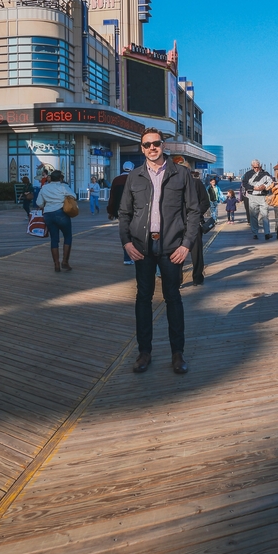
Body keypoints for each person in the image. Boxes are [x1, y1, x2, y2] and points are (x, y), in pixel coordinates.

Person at [119, 127, 201, 375]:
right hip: (141, 248)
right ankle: (144, 352)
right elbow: (124, 213)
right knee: (142, 299)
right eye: (147, 145)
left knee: (173, 298)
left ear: (163, 145)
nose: (152, 148)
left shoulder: (181, 174)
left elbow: (194, 211)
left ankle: (178, 353)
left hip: (171, 247)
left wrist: (186, 244)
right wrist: (127, 243)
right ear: (141, 148)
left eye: (156, 143)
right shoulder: (134, 176)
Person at [36, 170, 77, 272]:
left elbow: (39, 203)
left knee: (54, 239)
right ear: (60, 178)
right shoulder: (63, 187)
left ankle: (56, 264)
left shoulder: (44, 188)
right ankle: (65, 262)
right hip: (61, 214)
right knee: (67, 237)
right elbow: (74, 196)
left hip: (48, 215)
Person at [107, 161, 135, 264]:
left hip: (120, 211)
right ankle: (135, 256)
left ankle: (127, 258)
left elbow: (112, 197)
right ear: (132, 168)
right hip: (135, 210)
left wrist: (110, 211)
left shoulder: (116, 180)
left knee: (125, 232)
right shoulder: (135, 178)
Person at [241, 160, 273, 240]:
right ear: (252, 166)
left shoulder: (265, 174)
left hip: (263, 196)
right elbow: (244, 184)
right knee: (253, 216)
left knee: (265, 215)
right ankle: (255, 233)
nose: (256, 169)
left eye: (258, 167)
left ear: (260, 166)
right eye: (255, 167)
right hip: (253, 196)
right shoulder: (248, 174)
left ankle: (267, 233)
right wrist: (253, 188)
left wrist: (264, 186)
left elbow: (270, 181)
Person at [189, 170, 210, 286]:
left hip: (194, 222)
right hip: (176, 223)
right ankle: (177, 278)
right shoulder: (172, 184)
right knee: (175, 251)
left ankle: (197, 277)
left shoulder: (196, 184)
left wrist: (196, 213)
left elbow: (205, 202)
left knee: (196, 251)